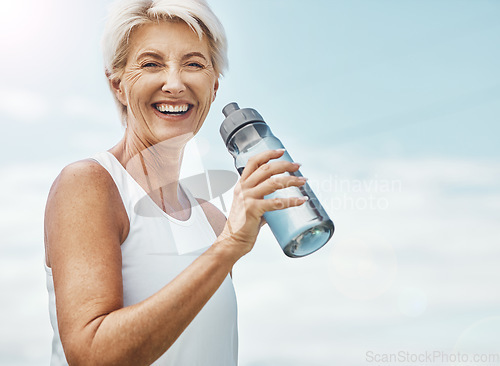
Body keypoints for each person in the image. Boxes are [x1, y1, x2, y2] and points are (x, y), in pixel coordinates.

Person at [44, 0, 308, 365]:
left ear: (213, 86)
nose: (174, 83)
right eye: (151, 64)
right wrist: (229, 246)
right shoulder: (90, 185)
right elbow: (92, 355)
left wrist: (230, 238)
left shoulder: (214, 221)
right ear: (118, 84)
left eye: (194, 64)